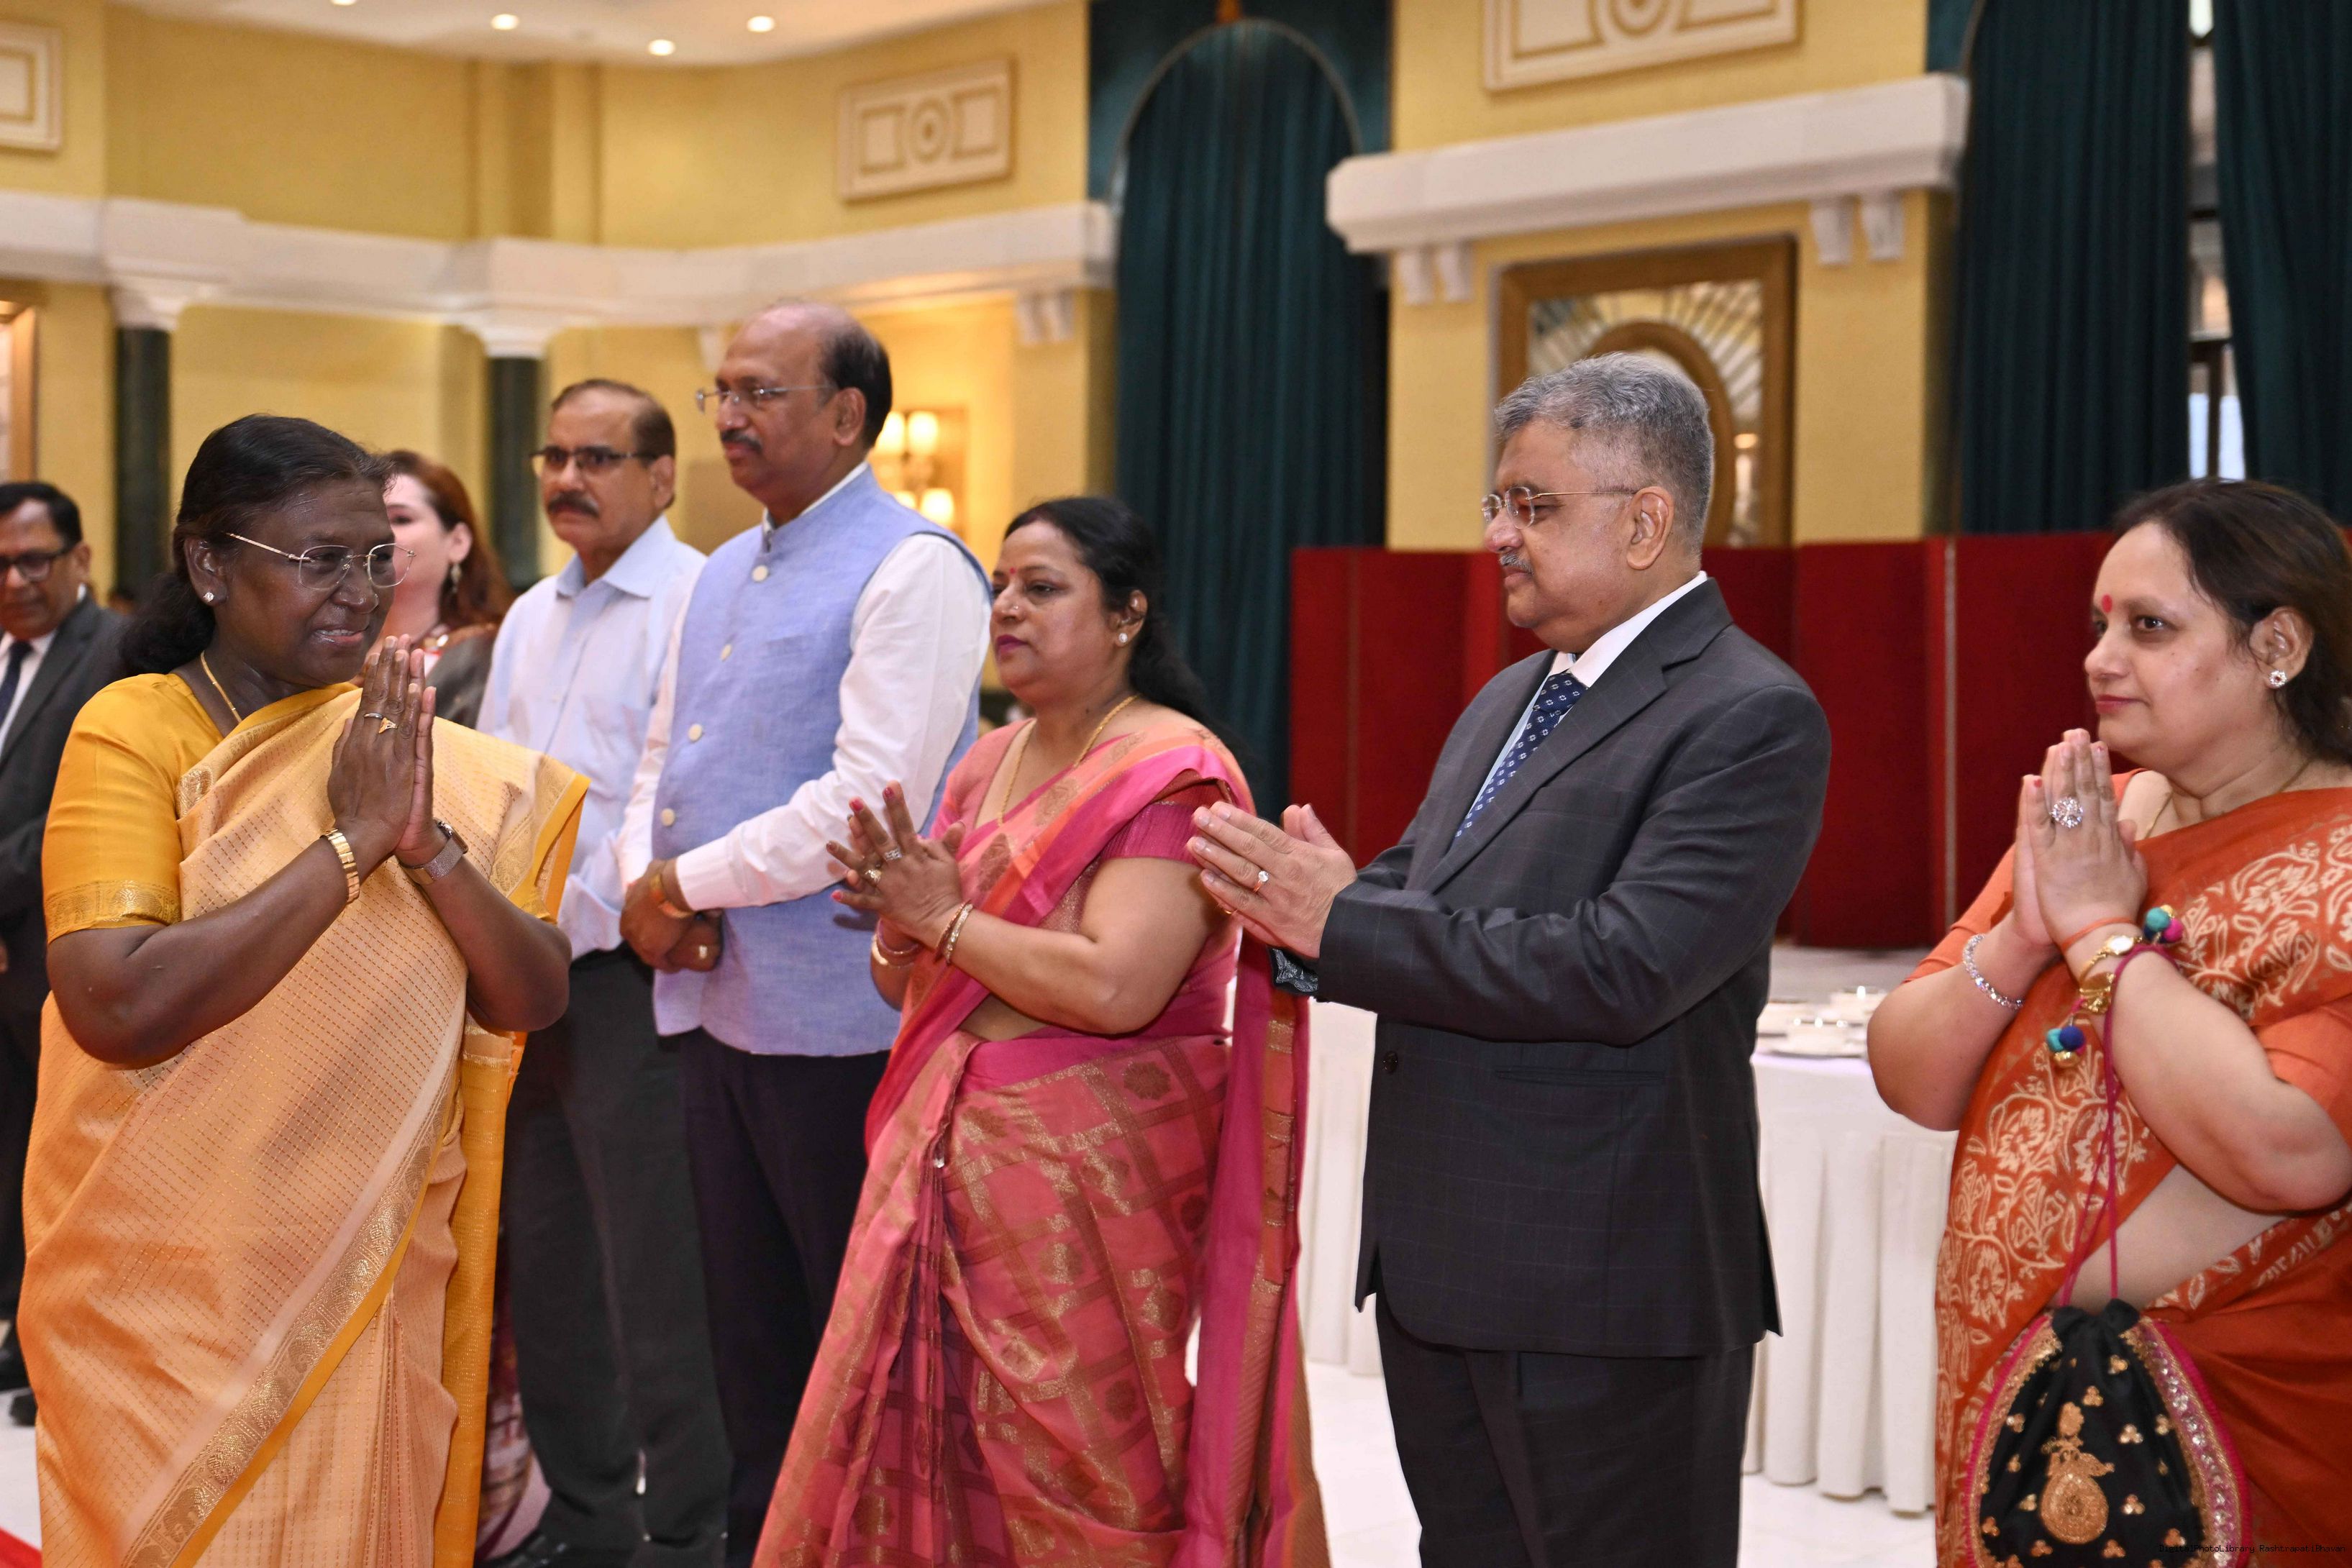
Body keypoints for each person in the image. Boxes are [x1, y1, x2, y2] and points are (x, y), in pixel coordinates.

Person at [1190, 354, 1830, 1568]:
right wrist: (1305, 912)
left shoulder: (1747, 713)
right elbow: (1416, 893)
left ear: (1644, 522)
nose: (1496, 534)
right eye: (1498, 503)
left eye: (1530, 505)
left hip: (1602, 1289)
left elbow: (1623, 967)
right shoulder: (1513, 697)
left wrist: (1345, 923)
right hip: (1446, 1266)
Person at [19, 414, 583, 1565]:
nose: (362, 592)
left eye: (377, 557)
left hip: (359, 1271)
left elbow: (533, 997)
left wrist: (425, 846)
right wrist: (349, 846)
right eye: (321, 560)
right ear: (211, 564)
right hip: (163, 1289)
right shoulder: (134, 733)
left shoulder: (399, 741)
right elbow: (113, 1007)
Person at [755, 498, 1326, 1565]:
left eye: (1043, 587)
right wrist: (902, 928)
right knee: (918, 1434)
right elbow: (910, 981)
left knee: (1082, 1450)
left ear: (1127, 613)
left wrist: (940, 920)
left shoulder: (1174, 773)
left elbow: (1118, 987)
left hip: (1091, 1173)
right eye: (1001, 587)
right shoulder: (987, 762)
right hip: (946, 1152)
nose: (1008, 608)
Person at [1866, 478, 2352, 1560]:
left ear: (2277, 645)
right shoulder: (2099, 817)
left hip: (2235, 1414)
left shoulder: (2340, 860)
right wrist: (2023, 936)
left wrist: (2098, 934)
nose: (2099, 658)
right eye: (2100, 623)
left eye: (2149, 627)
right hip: (2014, 1388)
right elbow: (1909, 1074)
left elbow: (2292, 1151)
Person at [617, 300, 990, 1564]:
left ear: (845, 415)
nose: (729, 416)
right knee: (752, 1346)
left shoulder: (914, 567)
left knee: (854, 1346)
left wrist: (685, 886)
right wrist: (648, 890)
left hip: (844, 1029)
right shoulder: (723, 566)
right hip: (720, 1014)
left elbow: (866, 803)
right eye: (720, 392)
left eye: (759, 393)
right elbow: (662, 759)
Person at [479, 378, 728, 1568]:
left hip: (634, 980)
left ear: (663, 476)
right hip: (522, 983)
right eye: (555, 456)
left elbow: (674, 795)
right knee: (550, 1265)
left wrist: (582, 915)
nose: (568, 478)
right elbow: (494, 782)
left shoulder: (699, 601)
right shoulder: (530, 614)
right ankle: (588, 1524)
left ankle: (686, 1536)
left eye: (599, 457)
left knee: (656, 1280)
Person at [0, 480, 124, 1421]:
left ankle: (73, 1356)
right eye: (0, 564)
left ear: (79, 558)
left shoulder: (115, 653)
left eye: (33, 559)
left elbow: (83, 813)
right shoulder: (4, 655)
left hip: (65, 956)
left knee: (77, 1162)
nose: (15, 579)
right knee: (13, 1154)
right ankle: (23, 1330)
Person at [382, 449, 512, 728]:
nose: (380, 534)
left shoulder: (484, 652)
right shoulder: (332, 644)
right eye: (371, 518)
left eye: (401, 519)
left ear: (458, 542)